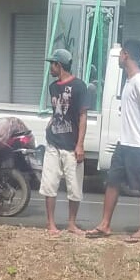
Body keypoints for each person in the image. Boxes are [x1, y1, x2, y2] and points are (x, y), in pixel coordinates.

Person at [86, 40, 140, 243]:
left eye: (119, 54)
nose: (118, 58)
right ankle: (105, 224)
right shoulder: (128, 80)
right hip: (124, 142)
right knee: (112, 182)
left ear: (126, 54)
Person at [41, 47, 88, 236]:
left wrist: (80, 144)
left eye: (52, 64)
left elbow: (82, 116)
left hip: (71, 144)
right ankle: (51, 223)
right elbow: (57, 112)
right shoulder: (53, 87)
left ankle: (71, 223)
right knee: (49, 184)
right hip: (53, 142)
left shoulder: (79, 86)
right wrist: (50, 123)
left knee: (74, 187)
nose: (50, 68)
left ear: (58, 65)